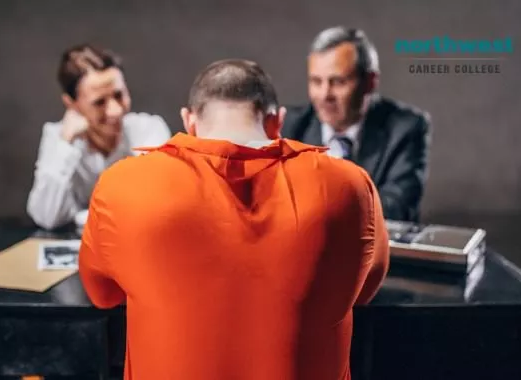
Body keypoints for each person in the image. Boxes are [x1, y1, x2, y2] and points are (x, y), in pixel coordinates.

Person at [79, 59, 389, 380]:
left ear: (189, 121)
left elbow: (103, 295)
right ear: (276, 121)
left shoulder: (122, 184)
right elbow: (363, 291)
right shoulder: (352, 185)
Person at [282, 26, 431, 222]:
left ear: (370, 82)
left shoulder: (406, 127)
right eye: (316, 81)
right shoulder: (288, 125)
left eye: (338, 82)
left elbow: (396, 208)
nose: (325, 95)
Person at [27, 44, 172, 230]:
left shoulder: (148, 129)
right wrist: (65, 145)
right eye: (99, 102)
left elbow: (155, 203)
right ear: (71, 103)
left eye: (119, 95)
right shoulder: (58, 138)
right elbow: (47, 217)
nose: (115, 111)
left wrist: (81, 217)